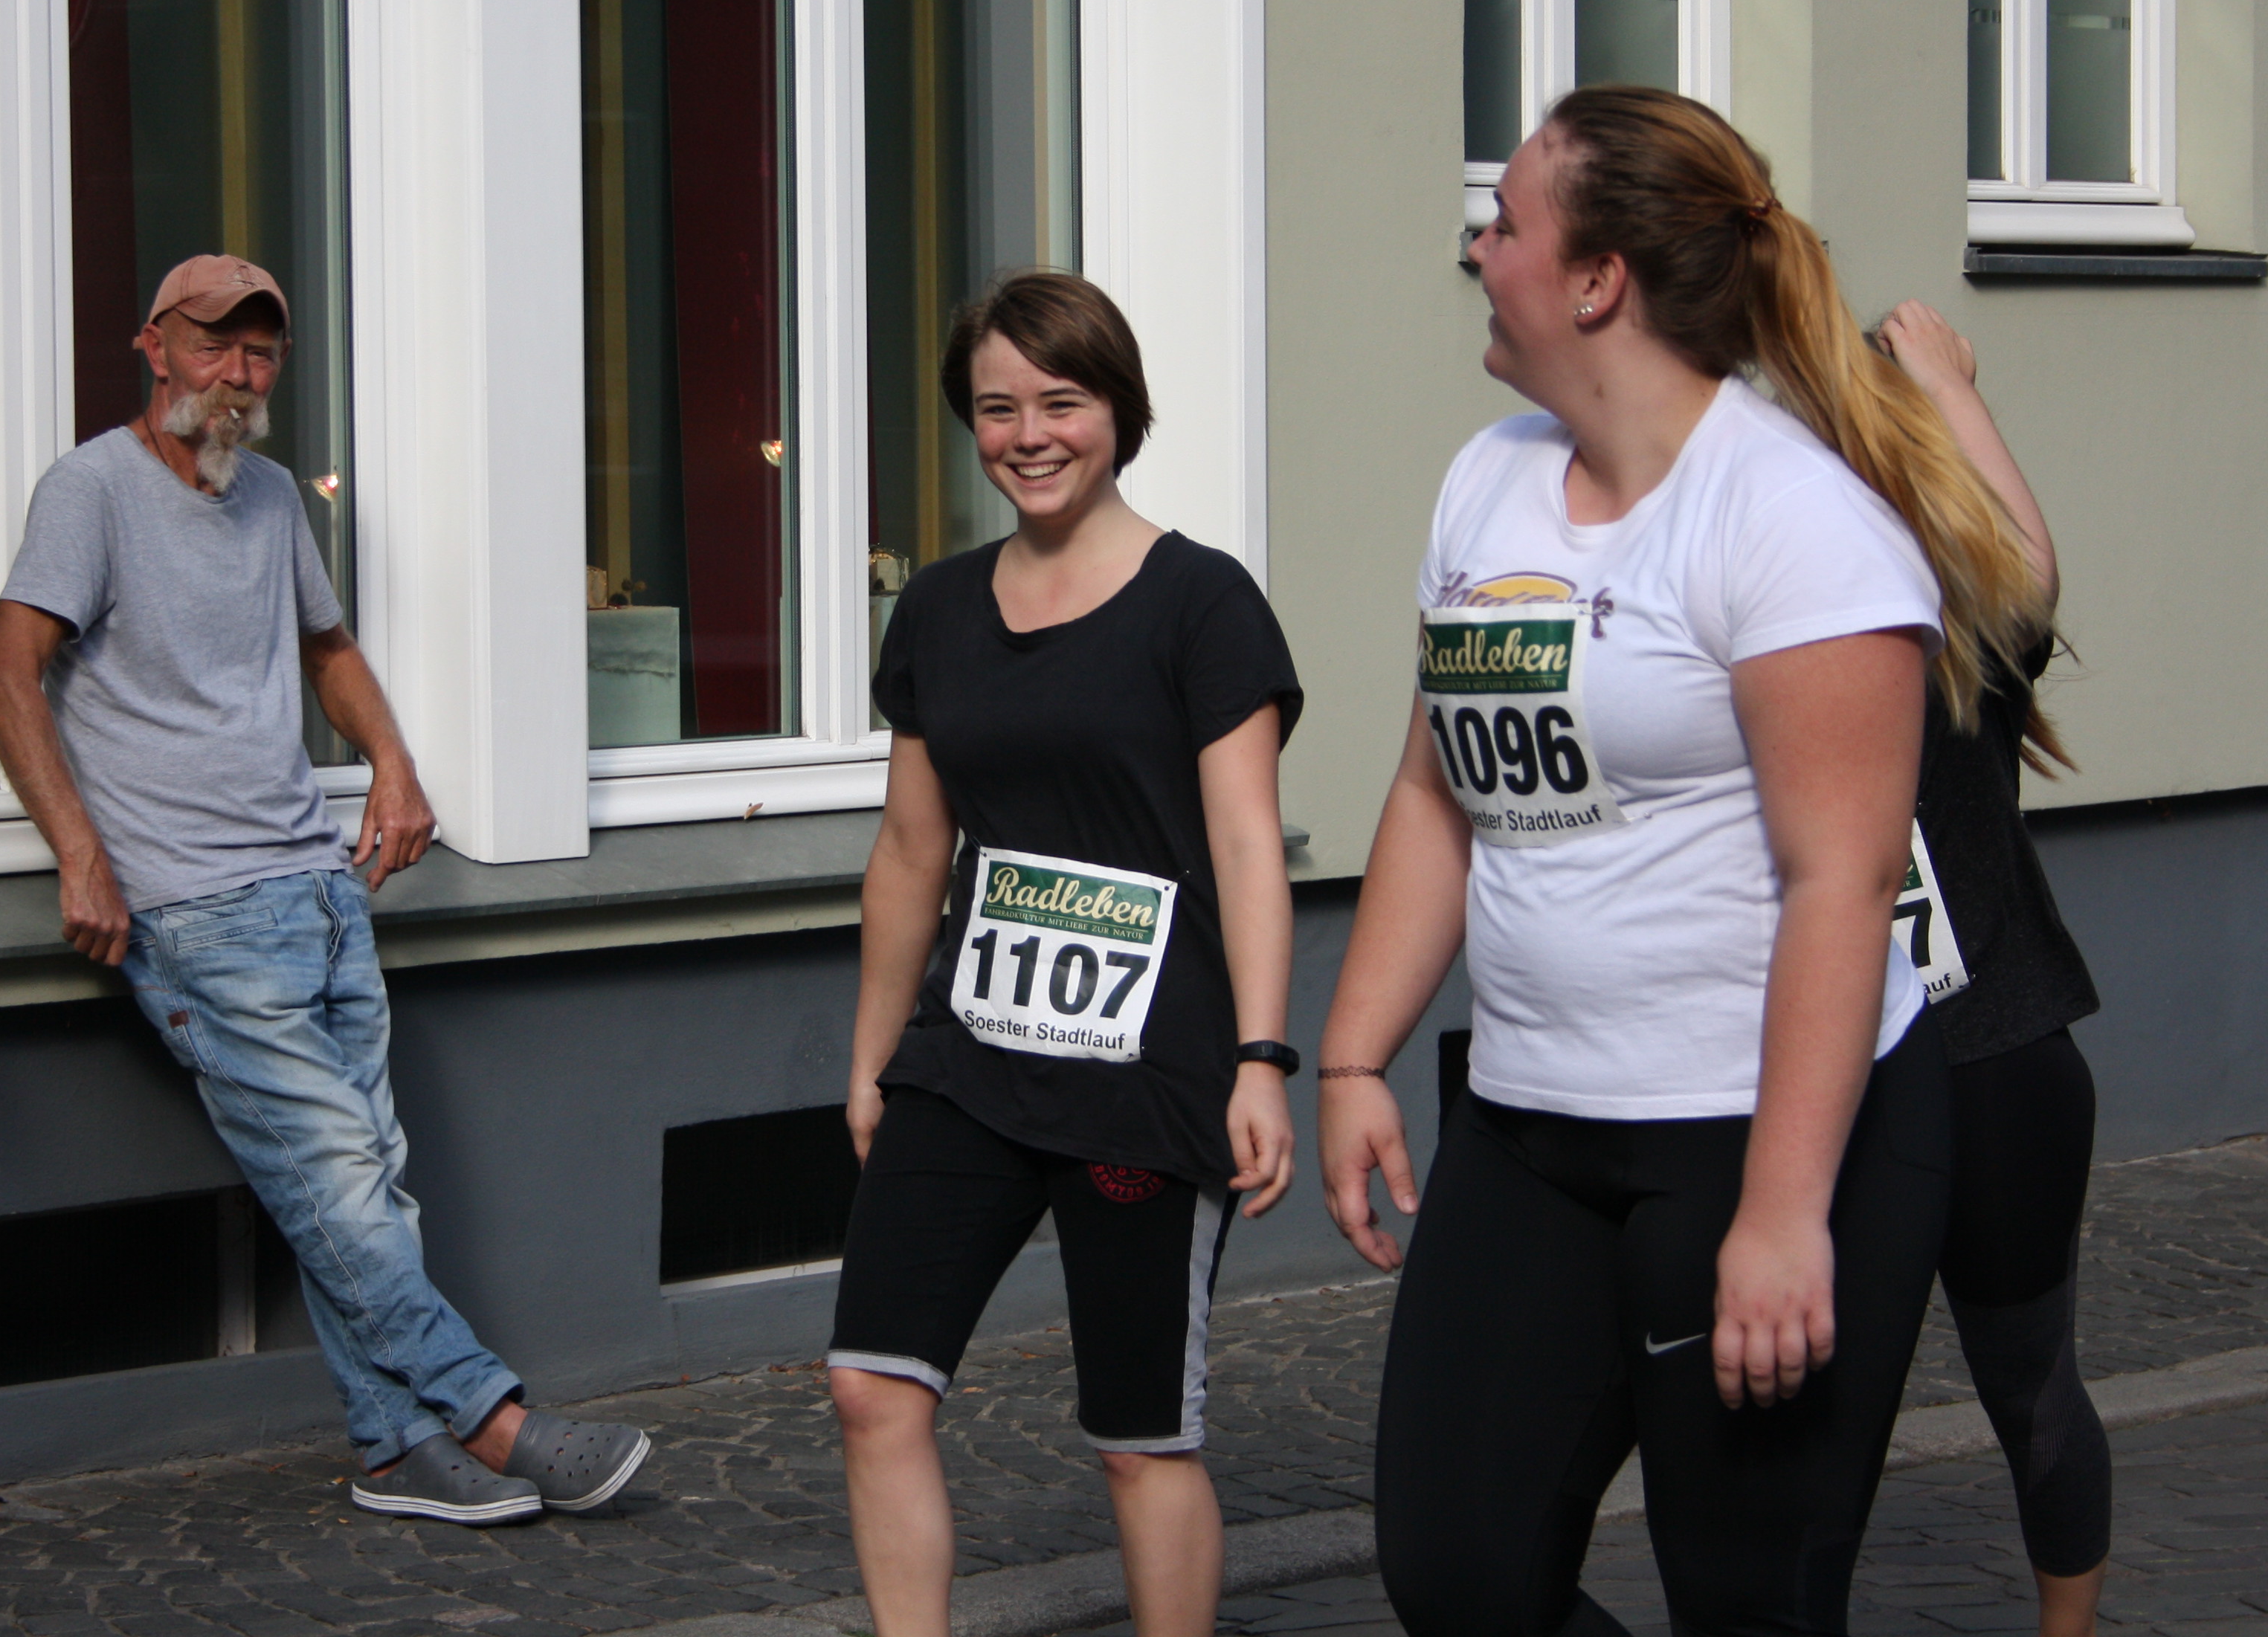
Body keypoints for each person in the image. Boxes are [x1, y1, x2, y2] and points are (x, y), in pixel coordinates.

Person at [1317, 85, 2055, 1637]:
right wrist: (1355, 1055)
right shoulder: (1486, 482)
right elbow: (1436, 791)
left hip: (1765, 1141)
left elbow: (1841, 883)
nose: (1478, 247)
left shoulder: (1795, 520)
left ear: (1598, 281)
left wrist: (1783, 1215)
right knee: (1458, 1581)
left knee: (1747, 1601)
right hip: (1530, 1128)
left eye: (1506, 222)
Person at [0, 254, 650, 1528]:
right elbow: (6, 678)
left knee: (362, 1187)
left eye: (260, 352)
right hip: (194, 911)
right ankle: (495, 1417)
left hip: (320, 891)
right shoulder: (91, 490)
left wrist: (395, 766)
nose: (236, 375)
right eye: (212, 345)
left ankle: (394, 1451)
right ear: (153, 347)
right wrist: (80, 852)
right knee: (337, 1178)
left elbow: (327, 648)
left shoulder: (273, 496)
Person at [829, 271, 1304, 1637]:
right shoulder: (938, 609)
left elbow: (1249, 848)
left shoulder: (1203, 603)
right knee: (871, 1384)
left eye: (1061, 402)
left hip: (1143, 1080)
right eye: (997, 408)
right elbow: (911, 851)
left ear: (1118, 412)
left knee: (1140, 1437)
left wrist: (1262, 1059)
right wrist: (874, 1059)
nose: (1029, 436)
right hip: (969, 1061)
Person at [1875, 300, 2110, 1637]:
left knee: (2031, 1390)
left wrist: (1947, 382)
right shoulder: (1775, 617)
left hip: (1994, 1063)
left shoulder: (1957, 634)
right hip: (1837, 1078)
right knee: (1806, 1407)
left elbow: (2028, 569)